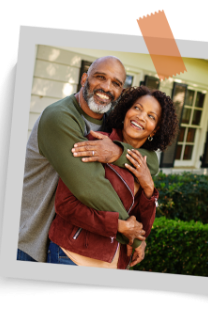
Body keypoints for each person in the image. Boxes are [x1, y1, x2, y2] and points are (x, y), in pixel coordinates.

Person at [17, 56, 160, 263]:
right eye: (100, 77)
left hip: (59, 241)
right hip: (28, 238)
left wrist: (118, 153)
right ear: (84, 79)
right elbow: (90, 186)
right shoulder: (60, 117)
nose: (106, 87)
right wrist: (133, 235)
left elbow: (152, 162)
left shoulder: (107, 121)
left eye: (116, 83)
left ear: (120, 92)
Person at [48, 86, 179, 269]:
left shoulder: (145, 166)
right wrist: (116, 226)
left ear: (155, 130)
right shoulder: (96, 143)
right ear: (126, 111)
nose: (141, 117)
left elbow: (142, 230)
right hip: (71, 256)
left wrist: (148, 187)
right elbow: (65, 204)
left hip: (114, 264)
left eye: (151, 116)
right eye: (137, 108)